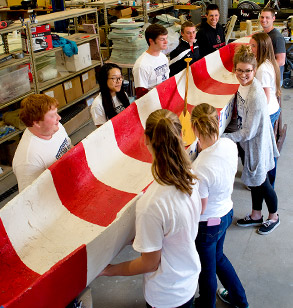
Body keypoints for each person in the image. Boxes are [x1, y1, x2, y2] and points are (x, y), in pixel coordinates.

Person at [99, 109, 202, 308]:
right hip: (188, 278)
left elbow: (149, 263)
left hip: (166, 294)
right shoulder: (190, 175)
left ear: (146, 139)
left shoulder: (151, 204)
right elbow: (178, 227)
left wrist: (109, 270)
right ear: (180, 135)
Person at [191, 103, 249, 308]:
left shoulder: (199, 167)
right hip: (226, 212)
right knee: (219, 258)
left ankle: (206, 304)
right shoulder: (229, 145)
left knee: (206, 270)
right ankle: (240, 300)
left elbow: (201, 208)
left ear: (195, 129)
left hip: (207, 223)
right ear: (217, 122)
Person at [223, 45, 280, 235]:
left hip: (257, 144)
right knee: (255, 182)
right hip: (249, 144)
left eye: (248, 71)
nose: (243, 74)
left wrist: (223, 137)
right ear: (234, 69)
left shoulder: (255, 95)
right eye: (239, 70)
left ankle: (274, 216)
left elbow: (248, 132)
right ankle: (256, 214)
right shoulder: (243, 86)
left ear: (254, 70)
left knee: (262, 182)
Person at [12, 94, 71, 192]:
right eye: (52, 115)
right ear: (37, 123)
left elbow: (69, 147)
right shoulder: (27, 160)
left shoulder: (56, 127)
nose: (59, 118)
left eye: (56, 113)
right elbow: (30, 197)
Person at [250, 32, 281, 187]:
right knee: (269, 148)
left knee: (265, 151)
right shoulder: (269, 62)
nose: (251, 48)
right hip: (274, 108)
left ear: (261, 47)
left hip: (267, 113)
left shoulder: (262, 69)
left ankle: (267, 182)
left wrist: (256, 118)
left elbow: (265, 98)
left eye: (253, 46)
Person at [133, 24, 169, 99]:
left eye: (166, 38)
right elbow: (141, 95)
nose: (166, 42)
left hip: (165, 98)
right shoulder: (141, 65)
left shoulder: (163, 57)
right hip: (152, 104)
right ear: (151, 41)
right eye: (162, 39)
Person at [91, 63, 130, 128]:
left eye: (120, 77)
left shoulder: (123, 94)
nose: (119, 81)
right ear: (104, 80)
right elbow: (103, 131)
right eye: (114, 78)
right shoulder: (98, 105)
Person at [260, 8, 286, 84]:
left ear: (273, 18)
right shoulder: (264, 34)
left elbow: (281, 61)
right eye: (262, 17)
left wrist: (264, 69)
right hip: (265, 77)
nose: (264, 20)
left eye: (267, 17)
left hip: (273, 79)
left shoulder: (277, 37)